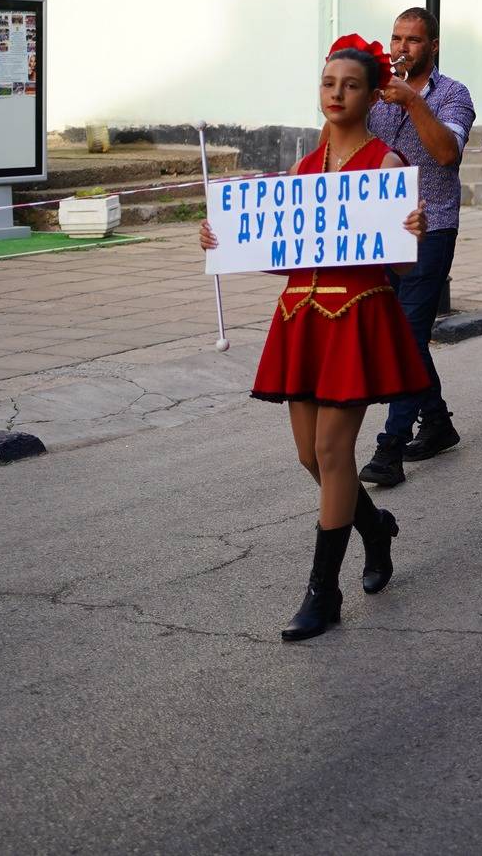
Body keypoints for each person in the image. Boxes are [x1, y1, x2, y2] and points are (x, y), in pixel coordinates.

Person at [201, 35, 428, 641]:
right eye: (329, 84)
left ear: (373, 94)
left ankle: (322, 593)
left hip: (355, 317)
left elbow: (400, 267)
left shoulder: (386, 165)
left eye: (350, 85)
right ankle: (374, 526)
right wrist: (226, 240)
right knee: (311, 457)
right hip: (300, 317)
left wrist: (413, 233)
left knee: (332, 454)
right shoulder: (303, 168)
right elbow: (292, 256)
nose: (337, 94)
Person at [358, 7, 474, 489]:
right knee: (393, 330)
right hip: (376, 230)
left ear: (433, 46)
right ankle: (438, 421)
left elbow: (447, 153)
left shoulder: (453, 95)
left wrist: (412, 103)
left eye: (412, 40)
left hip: (430, 229)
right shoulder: (376, 92)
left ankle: (390, 446)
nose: (401, 48)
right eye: (396, 38)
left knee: (407, 334)